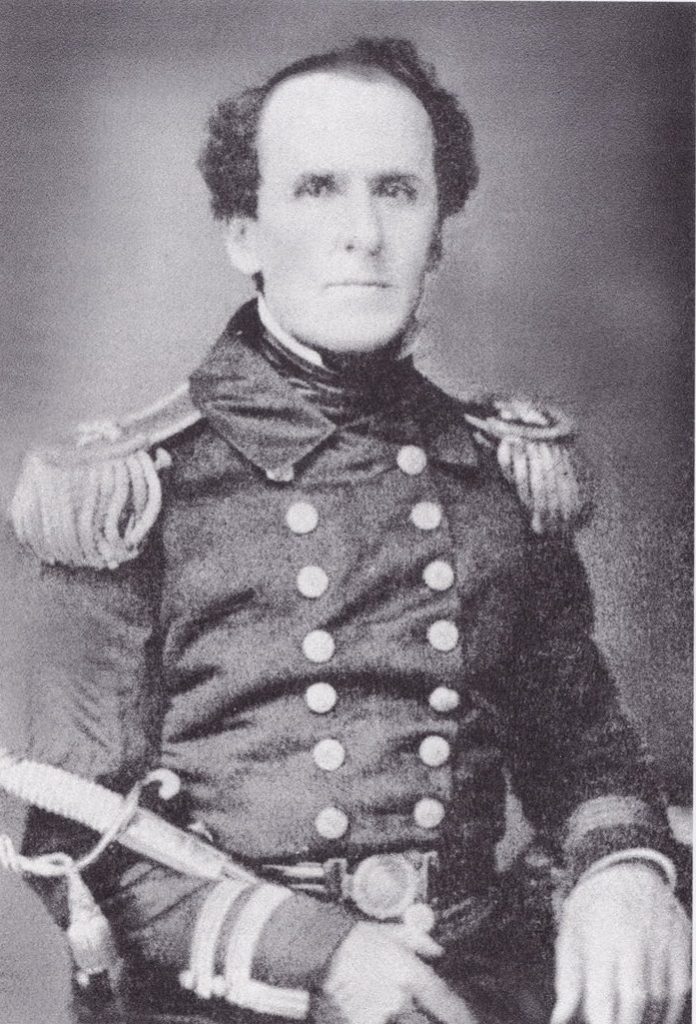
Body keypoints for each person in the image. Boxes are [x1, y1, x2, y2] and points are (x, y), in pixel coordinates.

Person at [6, 36, 690, 1024]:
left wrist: (622, 872)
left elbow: (582, 747)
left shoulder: (499, 475)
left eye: (398, 192)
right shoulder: (128, 492)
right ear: (244, 232)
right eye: (318, 189)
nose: (362, 234)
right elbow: (72, 831)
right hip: (232, 999)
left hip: (473, 979)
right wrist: (322, 954)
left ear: (438, 235)